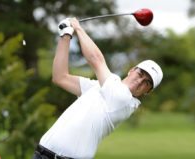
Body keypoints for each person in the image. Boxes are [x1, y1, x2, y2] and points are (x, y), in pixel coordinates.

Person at [33, 18, 163, 159]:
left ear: (147, 92)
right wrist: (65, 36)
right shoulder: (100, 87)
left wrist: (78, 28)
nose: (140, 81)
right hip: (41, 154)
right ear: (131, 70)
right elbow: (60, 77)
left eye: (147, 83)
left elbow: (96, 59)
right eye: (141, 74)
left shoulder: (123, 99)